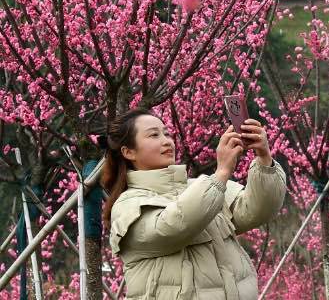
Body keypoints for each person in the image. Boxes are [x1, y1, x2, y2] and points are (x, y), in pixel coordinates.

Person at [101, 108, 287, 300]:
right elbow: (172, 227)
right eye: (154, 135)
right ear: (128, 152)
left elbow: (258, 210)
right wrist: (221, 172)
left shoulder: (202, 187)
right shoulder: (127, 204)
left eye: (167, 133)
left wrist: (264, 158)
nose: (166, 141)